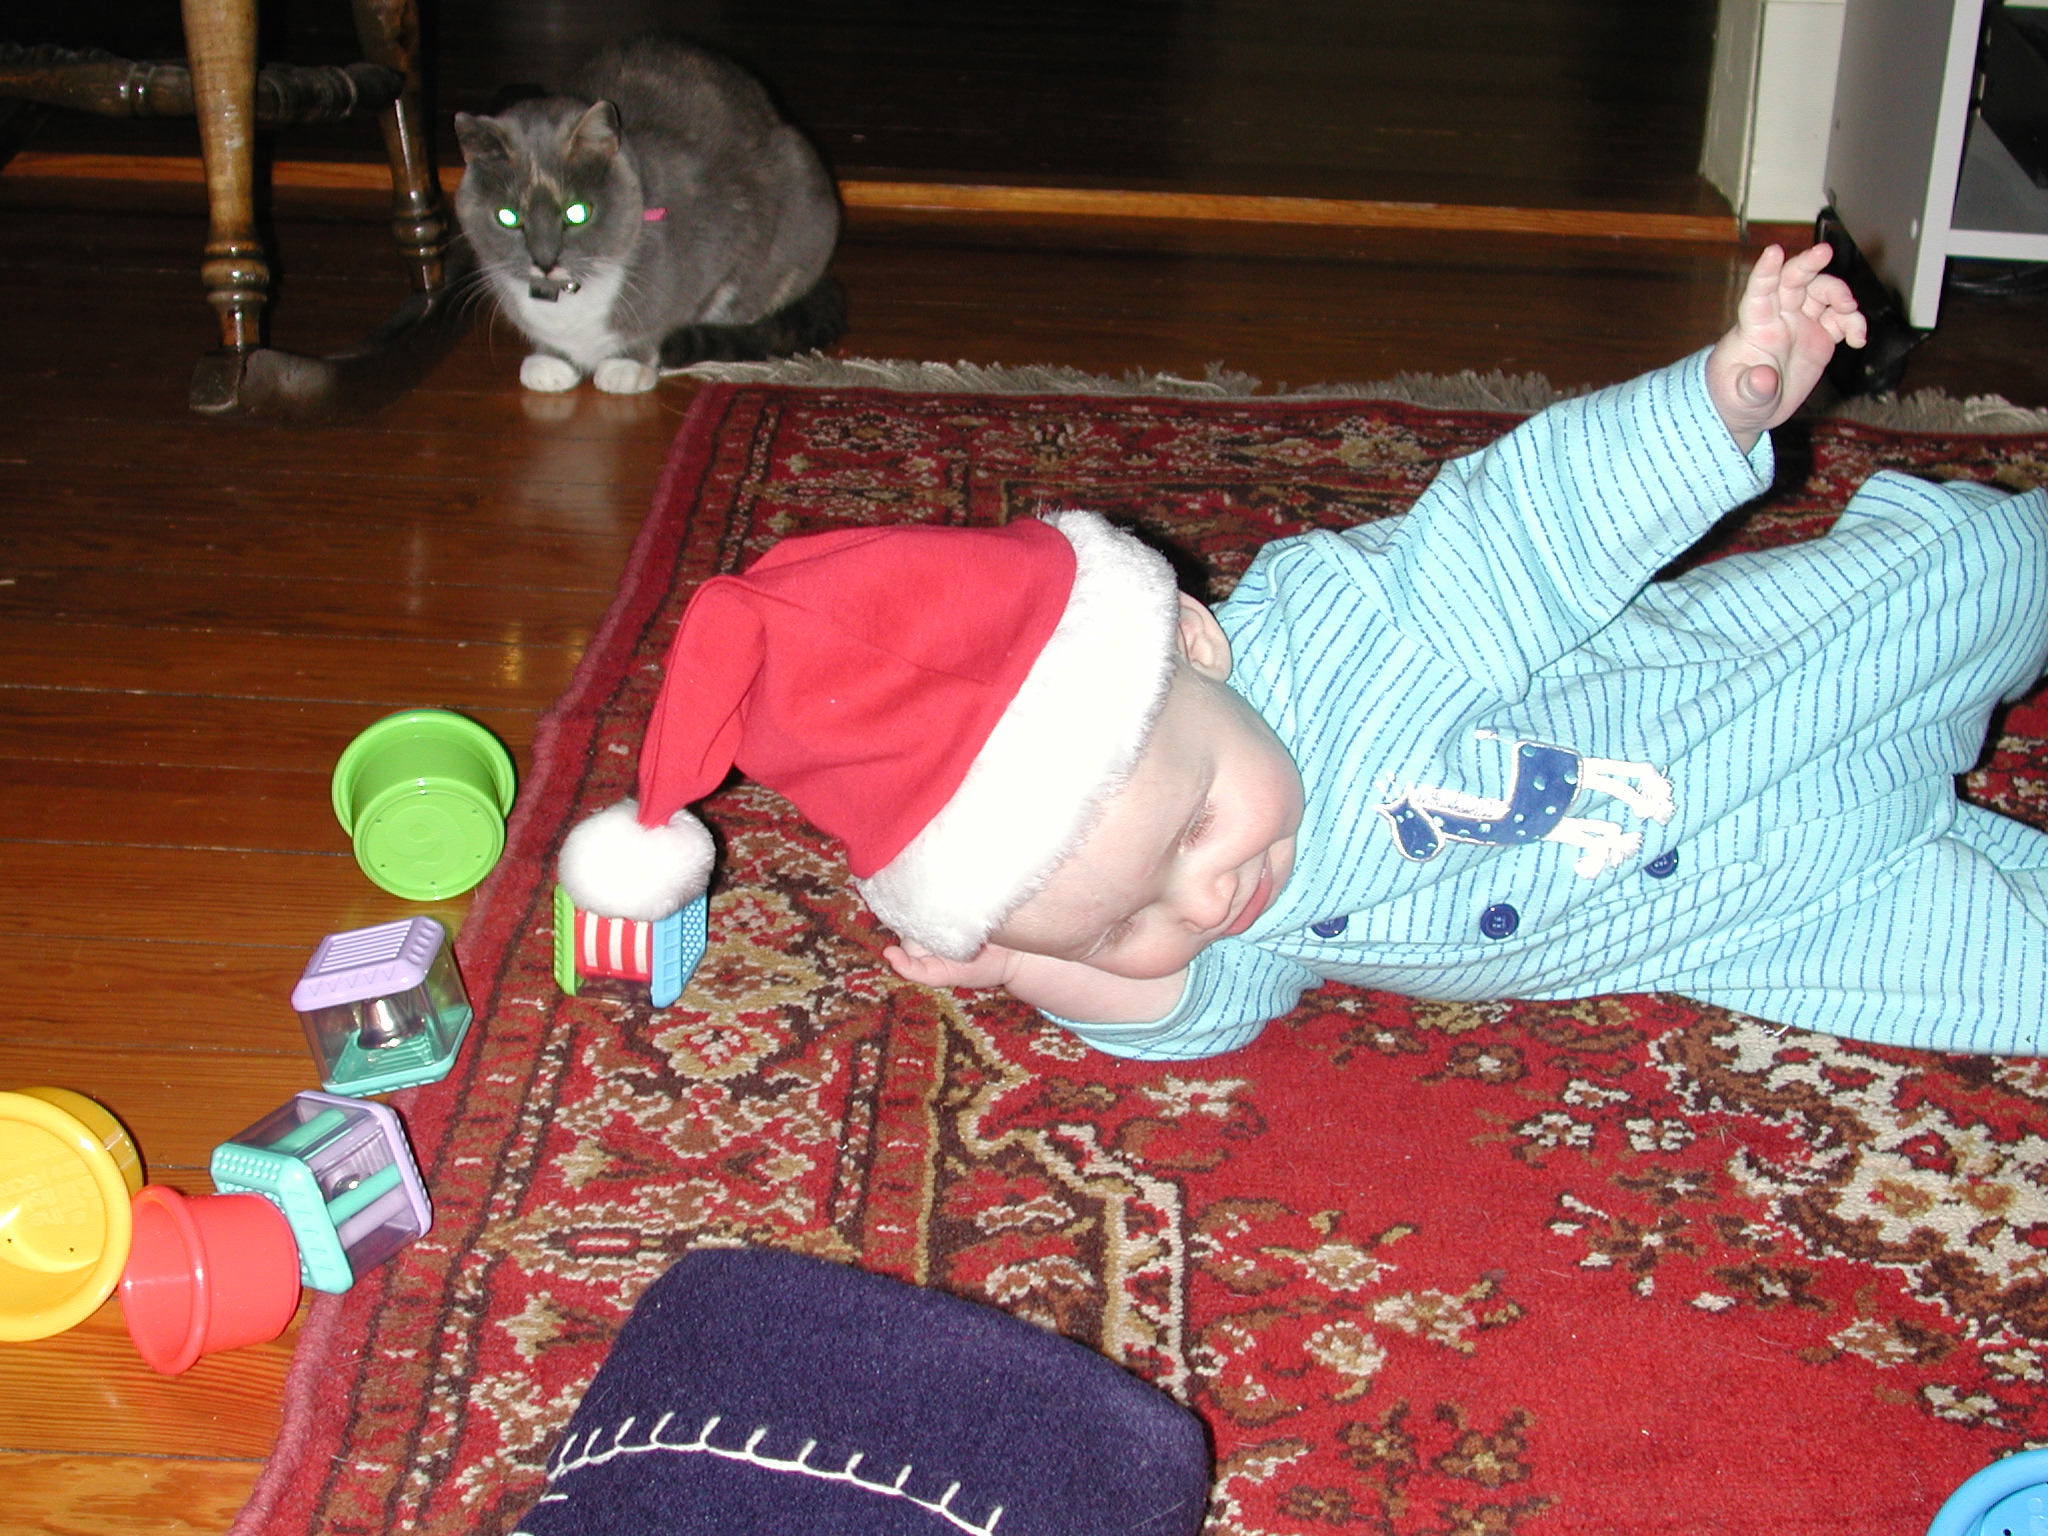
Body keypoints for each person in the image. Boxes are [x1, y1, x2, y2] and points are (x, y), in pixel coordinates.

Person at [559, 244, 2048, 1061]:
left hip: (1789, 682)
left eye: (1192, 830)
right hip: (1769, 909)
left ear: (1193, 643)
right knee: (2005, 981)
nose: (1207, 895)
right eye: (1128, 921)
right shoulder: (1205, 916)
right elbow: (1216, 1006)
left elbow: (1534, 526)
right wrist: (1049, 970)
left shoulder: (1348, 642)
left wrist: (1718, 406)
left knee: (1985, 573)